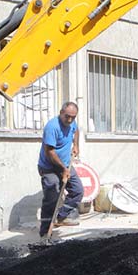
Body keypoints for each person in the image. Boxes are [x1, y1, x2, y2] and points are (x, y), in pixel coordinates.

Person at [37, 101, 84, 237]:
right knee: (52, 197)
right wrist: (63, 169)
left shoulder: (71, 123)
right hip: (49, 167)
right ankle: (45, 232)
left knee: (77, 191)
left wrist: (76, 145)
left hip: (64, 165)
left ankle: (60, 216)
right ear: (61, 113)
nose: (69, 120)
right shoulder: (52, 127)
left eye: (73, 117)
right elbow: (50, 152)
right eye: (67, 116)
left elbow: (76, 131)